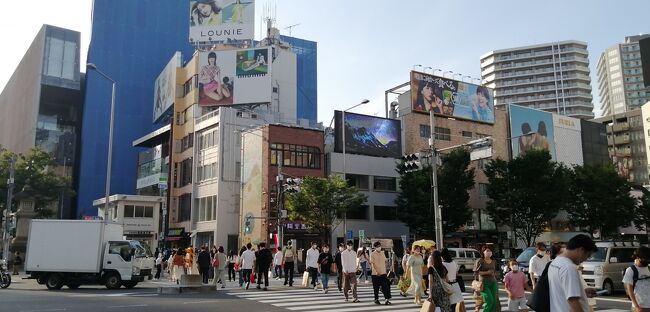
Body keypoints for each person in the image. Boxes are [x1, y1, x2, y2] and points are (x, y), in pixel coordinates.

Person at [548, 234, 598, 312]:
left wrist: (582, 293)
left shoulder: (555, 262)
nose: (585, 259)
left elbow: (561, 291)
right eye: (587, 256)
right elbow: (573, 300)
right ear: (581, 250)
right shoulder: (569, 268)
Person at [623, 246, 650, 312]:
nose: (647, 261)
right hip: (640, 306)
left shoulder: (649, 268)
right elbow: (630, 290)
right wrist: (636, 306)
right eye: (645, 259)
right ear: (638, 257)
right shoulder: (631, 270)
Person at [474, 245, 498, 312]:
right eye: (487, 250)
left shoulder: (493, 261)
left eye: (490, 251)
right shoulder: (480, 261)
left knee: (494, 303)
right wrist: (487, 272)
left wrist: (493, 275)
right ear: (483, 252)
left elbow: (494, 271)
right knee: (490, 301)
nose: (489, 252)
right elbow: (476, 272)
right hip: (483, 284)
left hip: (493, 283)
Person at [370, 241, 392, 305]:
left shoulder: (382, 253)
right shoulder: (372, 254)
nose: (379, 247)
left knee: (385, 286)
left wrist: (388, 266)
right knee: (376, 288)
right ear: (375, 247)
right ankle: (376, 299)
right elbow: (372, 264)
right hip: (375, 274)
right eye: (377, 246)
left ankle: (386, 299)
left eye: (379, 246)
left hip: (383, 273)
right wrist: (376, 272)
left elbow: (385, 261)